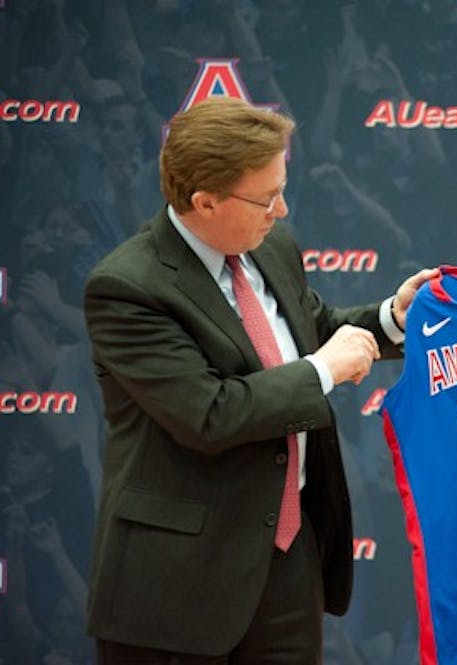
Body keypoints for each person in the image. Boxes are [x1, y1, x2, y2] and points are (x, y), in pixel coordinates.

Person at [82, 95, 437, 663]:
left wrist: (396, 315)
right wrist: (324, 370)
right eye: (267, 196)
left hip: (287, 562)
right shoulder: (128, 288)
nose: (283, 209)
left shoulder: (270, 246)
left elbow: (314, 329)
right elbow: (210, 414)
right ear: (205, 201)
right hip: (176, 586)